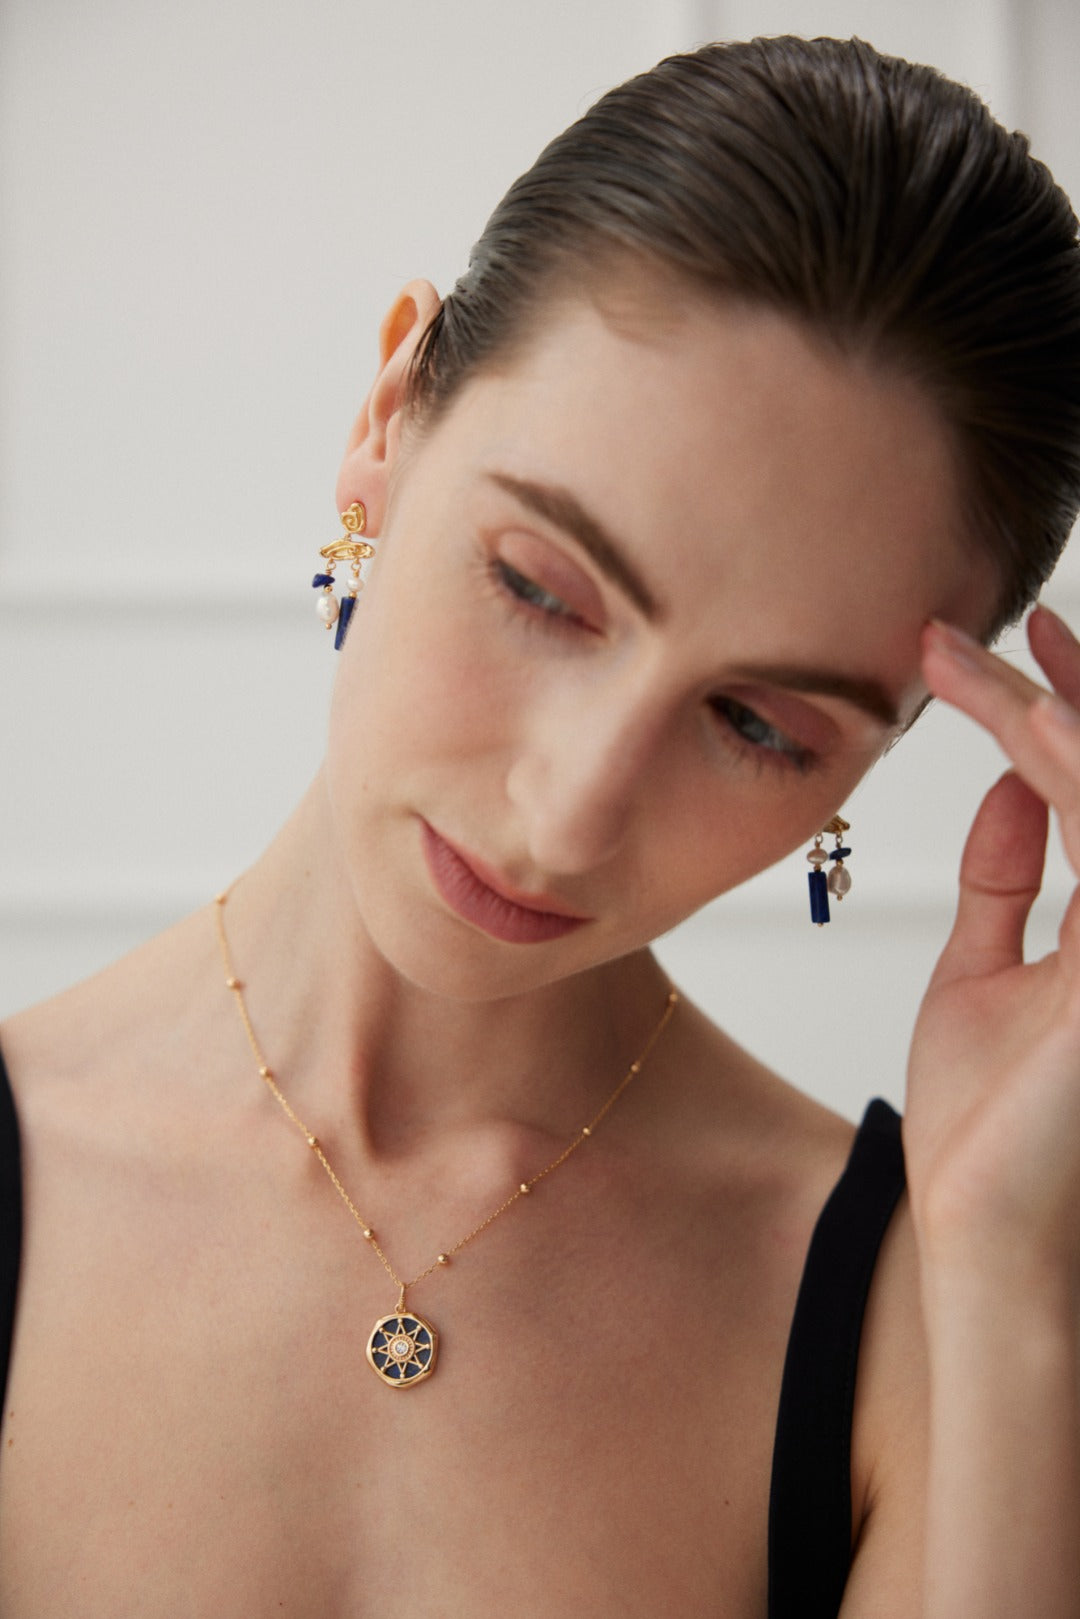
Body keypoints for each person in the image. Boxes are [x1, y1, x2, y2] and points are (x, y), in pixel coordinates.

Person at [1, 31, 1079, 1617]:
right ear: (391, 414)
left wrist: (1006, 1272)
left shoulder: (931, 1322)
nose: (570, 814)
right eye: (541, 590)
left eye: (759, 726)